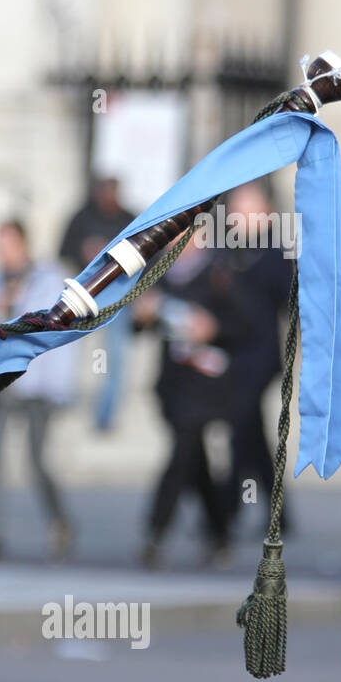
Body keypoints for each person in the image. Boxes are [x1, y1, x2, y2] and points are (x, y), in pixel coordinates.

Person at [133, 228, 251, 569]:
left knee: (183, 451)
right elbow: (140, 324)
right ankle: (219, 532)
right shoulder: (159, 272)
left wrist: (212, 328)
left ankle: (155, 531)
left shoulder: (220, 271)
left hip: (206, 385)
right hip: (173, 383)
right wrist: (142, 316)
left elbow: (245, 326)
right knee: (194, 460)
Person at [0, 219, 78, 560]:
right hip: (1, 382)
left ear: (23, 244)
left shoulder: (47, 279)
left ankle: (60, 522)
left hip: (36, 384)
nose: (2, 254)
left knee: (36, 460)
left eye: (7, 245)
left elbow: (52, 332)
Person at [216, 182, 295, 537]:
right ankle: (279, 511)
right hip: (231, 352)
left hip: (260, 355)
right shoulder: (228, 249)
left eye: (241, 208)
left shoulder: (276, 249)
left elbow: (288, 298)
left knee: (239, 430)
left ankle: (227, 510)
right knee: (251, 436)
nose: (233, 214)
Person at [57, 176, 138, 431]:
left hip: (117, 300)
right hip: (82, 298)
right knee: (72, 352)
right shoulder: (81, 218)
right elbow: (62, 254)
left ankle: (105, 414)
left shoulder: (128, 219)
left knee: (114, 358)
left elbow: (147, 257)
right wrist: (84, 254)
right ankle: (66, 401)